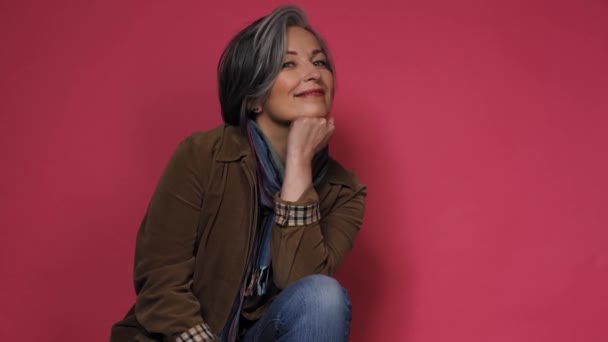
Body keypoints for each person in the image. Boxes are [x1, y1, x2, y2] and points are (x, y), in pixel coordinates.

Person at [110, 5, 366, 342]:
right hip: (183, 337)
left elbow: (302, 287)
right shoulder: (203, 156)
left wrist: (298, 166)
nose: (313, 73)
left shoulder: (343, 191)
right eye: (288, 64)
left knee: (323, 296)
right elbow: (160, 281)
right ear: (255, 97)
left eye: (319, 62)